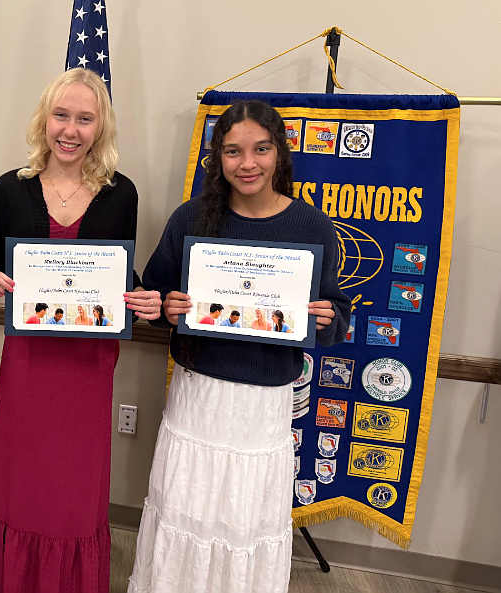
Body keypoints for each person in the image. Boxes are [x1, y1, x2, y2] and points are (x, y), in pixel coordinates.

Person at [129, 100, 351, 593]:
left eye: (260, 149)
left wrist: (328, 317)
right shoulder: (192, 217)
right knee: (187, 512)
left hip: (263, 405)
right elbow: (153, 290)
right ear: (218, 157)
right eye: (233, 151)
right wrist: (167, 307)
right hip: (199, 398)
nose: (247, 163)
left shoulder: (313, 227)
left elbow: (335, 313)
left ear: (280, 155)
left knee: (244, 524)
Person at [0, 68, 161, 593]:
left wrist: (144, 298)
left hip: (87, 367)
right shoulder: (11, 188)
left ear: (101, 127)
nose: (70, 130)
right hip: (29, 362)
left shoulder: (122, 194)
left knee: (74, 491)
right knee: (23, 483)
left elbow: (123, 277)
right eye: (61, 115)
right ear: (44, 120)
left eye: (84, 118)